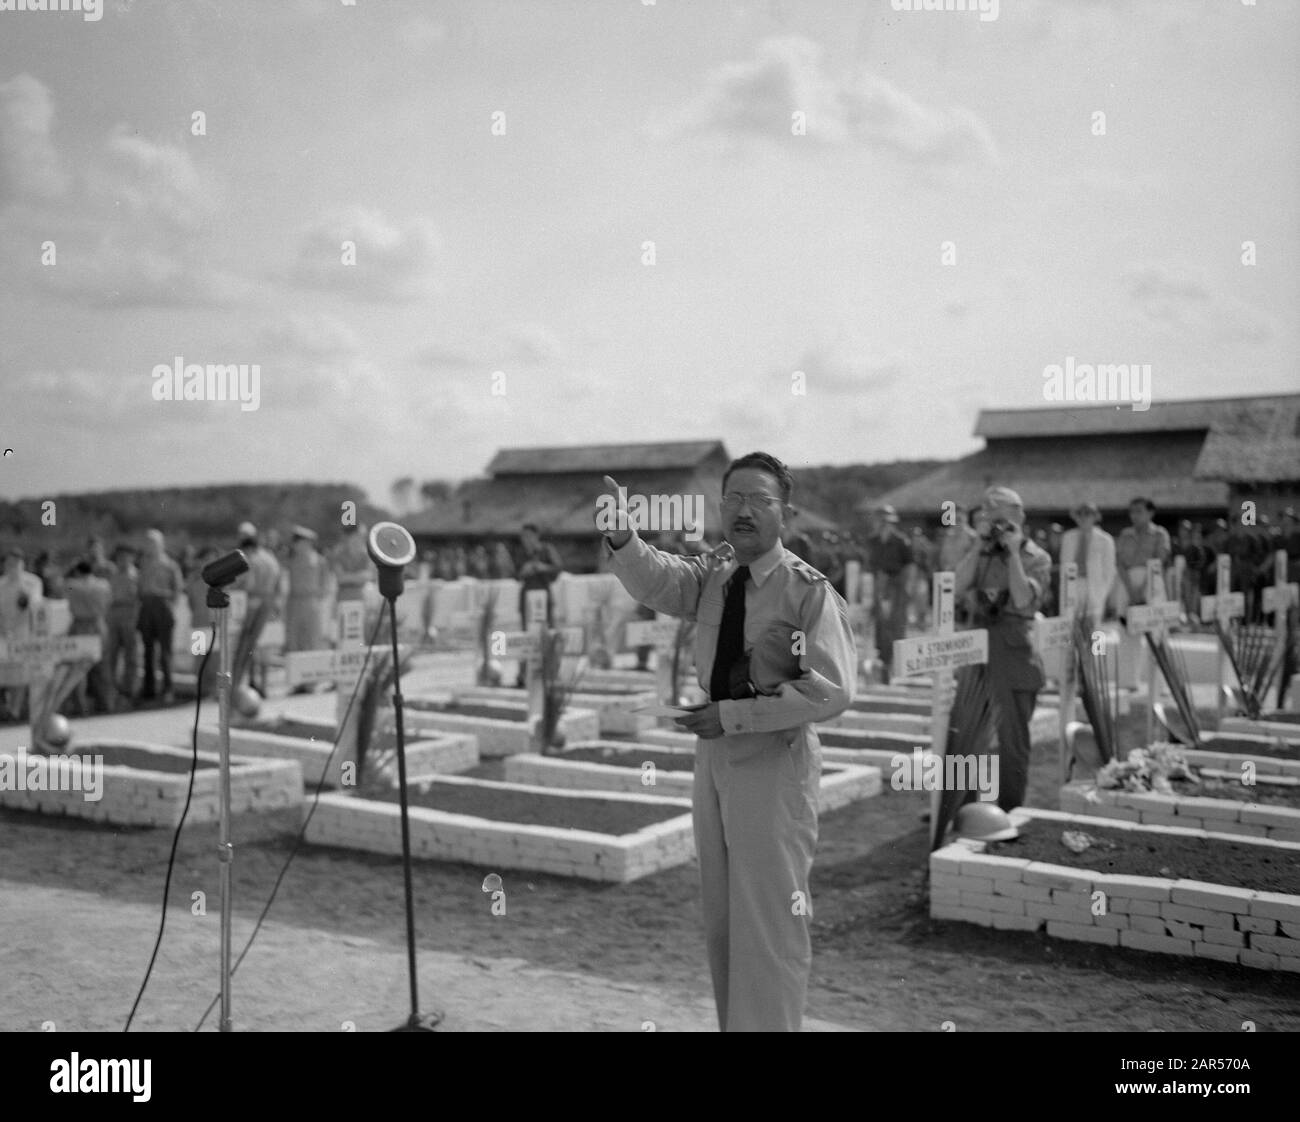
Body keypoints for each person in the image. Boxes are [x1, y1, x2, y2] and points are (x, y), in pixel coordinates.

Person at [600, 451, 856, 1032]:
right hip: (713, 757)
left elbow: (833, 691)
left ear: (784, 512)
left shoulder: (805, 592)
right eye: (734, 498)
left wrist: (736, 717)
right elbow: (662, 580)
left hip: (773, 762)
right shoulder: (717, 572)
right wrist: (624, 538)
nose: (744, 511)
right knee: (724, 920)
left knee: (769, 921)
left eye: (759, 500)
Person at [954, 486, 1052, 813]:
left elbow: (1024, 599)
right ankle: (960, 805)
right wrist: (980, 544)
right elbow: (956, 586)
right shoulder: (980, 552)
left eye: (1001, 517)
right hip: (977, 643)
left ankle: (1010, 808)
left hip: (1013, 648)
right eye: (988, 516)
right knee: (966, 731)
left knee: (1012, 739)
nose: (994, 523)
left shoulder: (1036, 557)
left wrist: (1011, 554)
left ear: (1019, 516)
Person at [231, 522, 282, 694]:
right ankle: (261, 684)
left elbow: (247, 582)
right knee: (263, 647)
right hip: (268, 603)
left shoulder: (248, 557)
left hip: (252, 602)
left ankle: (238, 685)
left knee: (245, 645)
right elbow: (278, 583)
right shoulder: (270, 558)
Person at [863, 504, 913, 683]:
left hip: (895, 586)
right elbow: (869, 566)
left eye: (885, 521)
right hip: (878, 586)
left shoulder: (901, 542)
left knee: (895, 626)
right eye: (880, 521)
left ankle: (894, 665)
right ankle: (883, 663)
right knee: (880, 627)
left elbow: (909, 568)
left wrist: (903, 589)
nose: (882, 524)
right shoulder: (873, 541)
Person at [513, 523, 564, 687]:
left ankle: (551, 674)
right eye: (523, 537)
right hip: (526, 597)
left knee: (546, 634)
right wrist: (524, 571)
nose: (525, 540)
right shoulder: (520, 553)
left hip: (544, 598)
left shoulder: (546, 550)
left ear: (535, 536)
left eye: (528, 536)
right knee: (526, 637)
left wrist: (541, 567)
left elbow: (557, 568)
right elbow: (514, 573)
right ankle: (523, 674)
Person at [136, 529, 183, 705]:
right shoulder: (142, 564)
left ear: (161, 544)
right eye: (147, 542)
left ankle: (168, 689)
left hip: (163, 605)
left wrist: (170, 606)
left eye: (153, 542)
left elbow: (177, 588)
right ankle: (149, 689)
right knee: (148, 651)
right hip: (146, 606)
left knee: (165, 652)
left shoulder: (170, 565)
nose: (150, 546)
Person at [0, 547, 44, 720]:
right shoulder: (1, 584)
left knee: (21, 671)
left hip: (24, 631)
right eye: (9, 562)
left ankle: (15, 710)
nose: (12, 566)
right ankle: (7, 707)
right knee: (6, 671)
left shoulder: (32, 582)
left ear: (22, 563)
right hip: (3, 632)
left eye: (16, 562)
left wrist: (23, 592)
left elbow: (34, 604)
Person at [64, 560, 112, 715]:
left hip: (79, 626)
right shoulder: (103, 585)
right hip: (98, 625)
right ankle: (105, 703)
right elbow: (109, 601)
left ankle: (80, 706)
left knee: (78, 669)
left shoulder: (72, 584)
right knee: (102, 667)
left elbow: (62, 588)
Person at [1059, 501, 1117, 624]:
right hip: (1072, 585)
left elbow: (1110, 569)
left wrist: (1102, 592)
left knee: (1094, 625)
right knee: (1070, 624)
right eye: (1080, 514)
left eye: (1088, 514)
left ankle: (1098, 645)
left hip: (1094, 585)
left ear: (1095, 517)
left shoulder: (1105, 539)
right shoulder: (1068, 537)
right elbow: (1063, 565)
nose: (1083, 517)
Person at [1113, 497, 1172, 616]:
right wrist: (1131, 590)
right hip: (1126, 582)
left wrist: (1142, 590)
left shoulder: (1159, 534)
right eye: (1132, 511)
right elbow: (1119, 563)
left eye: (1139, 511)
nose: (1134, 515)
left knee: (1153, 623)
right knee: (1125, 621)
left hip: (1151, 580)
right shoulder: (1125, 535)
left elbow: (1159, 562)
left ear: (1150, 513)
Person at [104, 544, 140, 711]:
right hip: (113, 618)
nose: (123, 560)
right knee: (111, 655)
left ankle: (129, 691)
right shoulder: (112, 576)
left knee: (131, 657)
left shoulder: (137, 576)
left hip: (130, 617)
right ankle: (111, 691)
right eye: (120, 557)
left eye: (126, 557)